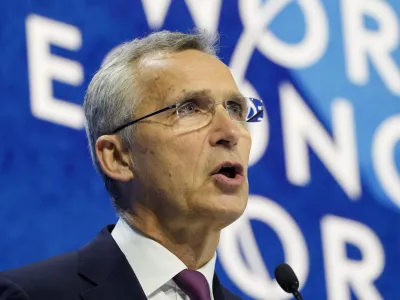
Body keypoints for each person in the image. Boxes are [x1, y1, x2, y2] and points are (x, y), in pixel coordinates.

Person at [0, 30, 264, 300]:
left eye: (235, 109)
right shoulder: (31, 295)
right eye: (189, 108)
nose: (230, 132)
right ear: (117, 157)